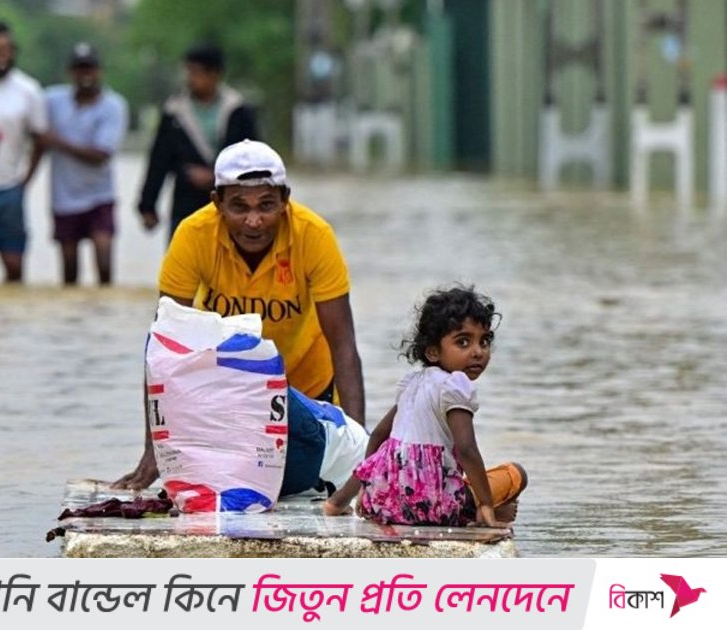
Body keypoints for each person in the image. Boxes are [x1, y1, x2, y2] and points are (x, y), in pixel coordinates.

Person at [114, 139, 365, 490]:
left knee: (290, 478)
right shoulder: (191, 235)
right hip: (226, 390)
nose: (253, 221)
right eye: (238, 207)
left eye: (266, 205)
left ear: (285, 200)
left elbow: (343, 344)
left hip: (305, 392)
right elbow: (163, 348)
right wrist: (156, 451)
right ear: (217, 202)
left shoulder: (314, 235)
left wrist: (360, 452)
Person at [323, 287, 527, 528]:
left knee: (396, 457)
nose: (478, 352)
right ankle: (482, 510)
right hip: (431, 505)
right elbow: (466, 449)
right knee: (516, 474)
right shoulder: (455, 385)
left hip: (384, 502)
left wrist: (367, 487)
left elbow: (378, 436)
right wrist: (485, 504)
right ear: (432, 351)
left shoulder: (412, 382)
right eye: (463, 342)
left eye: (484, 342)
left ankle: (334, 504)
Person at [138, 43, 259, 239]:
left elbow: (254, 158)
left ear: (215, 74)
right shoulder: (174, 112)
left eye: (197, 72)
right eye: (189, 72)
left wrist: (215, 175)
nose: (190, 78)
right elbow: (159, 160)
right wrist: (148, 206)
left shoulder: (237, 111)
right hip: (186, 203)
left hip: (233, 204)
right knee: (182, 262)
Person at [42, 43, 128, 286]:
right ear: (71, 73)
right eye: (80, 69)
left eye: (89, 68)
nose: (85, 75)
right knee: (69, 272)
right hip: (64, 197)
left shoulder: (113, 105)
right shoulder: (53, 100)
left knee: (104, 264)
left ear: (99, 71)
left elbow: (101, 154)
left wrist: (57, 141)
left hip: (100, 195)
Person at [0, 21, 48, 283]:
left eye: (7, 49)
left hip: (10, 189)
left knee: (14, 268)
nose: (2, 55)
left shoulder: (28, 90)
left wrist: (26, 180)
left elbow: (41, 139)